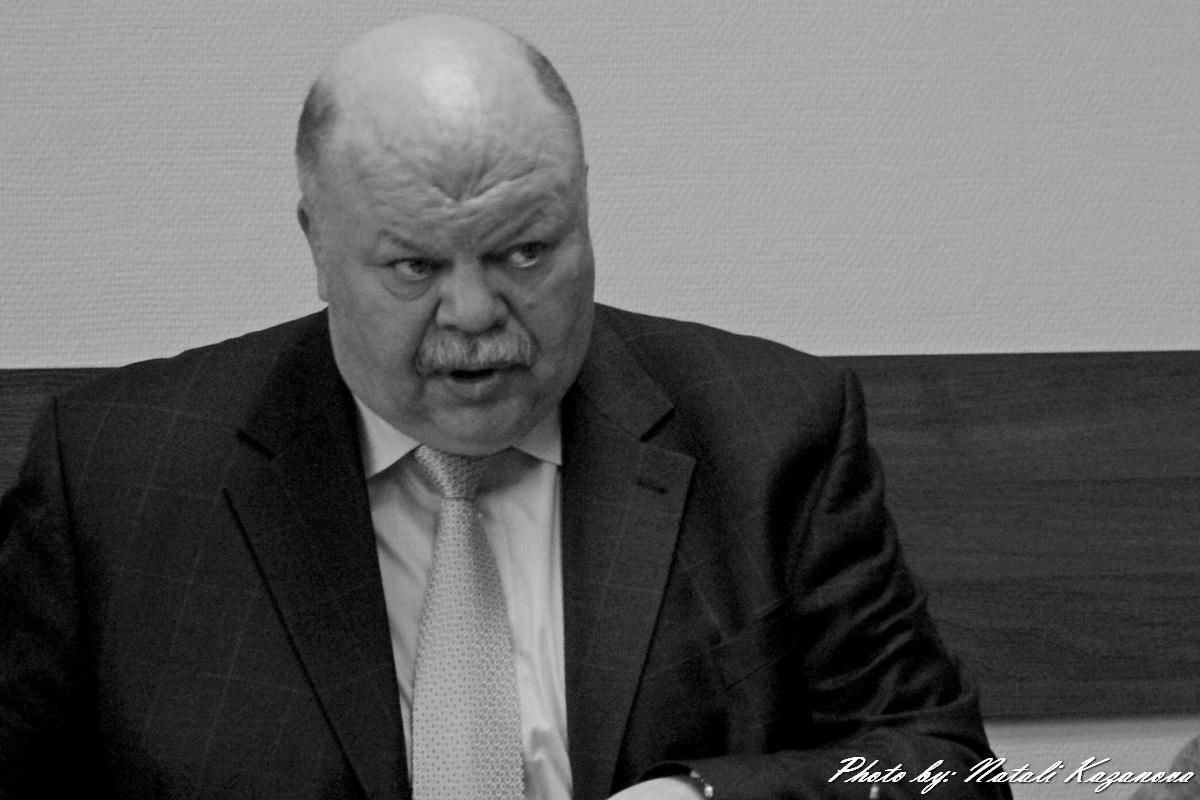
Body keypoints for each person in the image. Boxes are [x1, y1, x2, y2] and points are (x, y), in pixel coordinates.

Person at [0, 14, 1010, 800]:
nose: (476, 313)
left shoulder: (773, 433)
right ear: (317, 244)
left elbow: (948, 765)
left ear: (583, 208)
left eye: (526, 250)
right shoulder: (115, 478)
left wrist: (708, 795)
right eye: (414, 266)